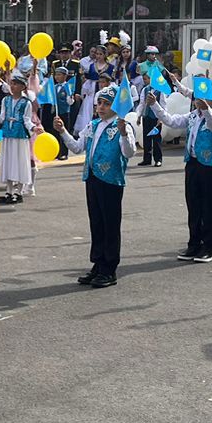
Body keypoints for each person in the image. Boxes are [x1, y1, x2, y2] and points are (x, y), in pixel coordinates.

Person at [56, 85, 135, 287]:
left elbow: (129, 153)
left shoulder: (122, 125)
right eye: (99, 103)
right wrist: (63, 131)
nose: (101, 107)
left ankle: (109, 269)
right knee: (97, 223)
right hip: (92, 178)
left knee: (110, 224)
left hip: (110, 180)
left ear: (116, 106)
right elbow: (76, 147)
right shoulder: (93, 125)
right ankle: (98, 264)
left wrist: (124, 134)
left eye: (106, 104)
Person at [158, 81, 212, 263]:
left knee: (209, 207)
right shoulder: (193, 116)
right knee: (193, 205)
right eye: (197, 96)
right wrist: (154, 105)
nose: (199, 100)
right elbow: (171, 121)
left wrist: (206, 110)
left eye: (204, 96)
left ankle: (208, 246)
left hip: (211, 166)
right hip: (193, 164)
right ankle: (194, 243)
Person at [0, 70, 36, 204]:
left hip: (20, 135)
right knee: (8, 161)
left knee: (19, 161)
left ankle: (19, 191)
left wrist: (33, 128)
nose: (12, 86)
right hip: (7, 133)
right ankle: (8, 190)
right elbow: (2, 117)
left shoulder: (26, 103)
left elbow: (27, 120)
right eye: (12, 83)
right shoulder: (5, 100)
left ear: (22, 87)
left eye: (16, 84)